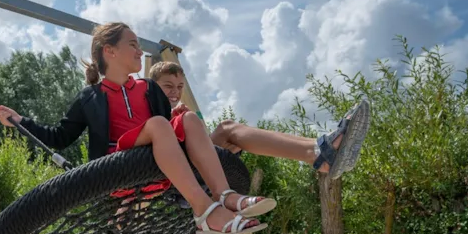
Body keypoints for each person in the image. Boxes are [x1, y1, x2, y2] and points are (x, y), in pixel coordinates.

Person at [0, 22, 274, 234]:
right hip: (119, 168)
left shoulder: (148, 88)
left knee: (187, 119)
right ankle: (204, 211)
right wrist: (21, 122)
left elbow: (173, 133)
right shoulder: (90, 97)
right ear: (110, 51)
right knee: (158, 124)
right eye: (133, 45)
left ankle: (225, 195)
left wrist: (214, 148)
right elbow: (59, 137)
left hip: (155, 165)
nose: (140, 51)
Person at [148, 61, 369, 180]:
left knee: (231, 131)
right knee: (227, 128)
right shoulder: (147, 110)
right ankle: (319, 154)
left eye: (179, 87)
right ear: (153, 85)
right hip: (173, 175)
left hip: (191, 164)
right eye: (168, 86)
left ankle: (320, 146)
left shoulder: (177, 113)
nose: (175, 93)